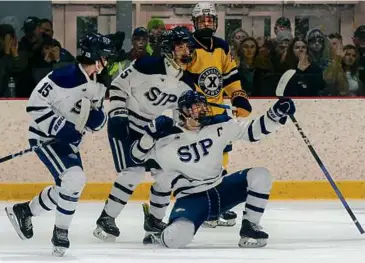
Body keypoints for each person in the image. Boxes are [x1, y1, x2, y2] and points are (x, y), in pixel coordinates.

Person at [132, 90, 296, 248]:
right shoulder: (165, 139)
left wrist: (275, 114)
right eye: (196, 107)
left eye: (203, 106)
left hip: (221, 190)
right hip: (192, 199)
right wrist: (149, 135)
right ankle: (156, 232)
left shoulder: (219, 126)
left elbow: (253, 131)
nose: (203, 110)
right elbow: (136, 157)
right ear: (183, 111)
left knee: (261, 175)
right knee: (176, 239)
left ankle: (250, 227)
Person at [4, 32, 114, 257]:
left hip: (67, 142)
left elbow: (95, 123)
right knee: (74, 179)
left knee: (71, 183)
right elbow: (35, 106)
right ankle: (60, 232)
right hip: (45, 138)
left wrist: (97, 117)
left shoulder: (97, 83)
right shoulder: (63, 76)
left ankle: (24, 211)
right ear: (94, 56)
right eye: (104, 56)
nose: (107, 61)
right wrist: (61, 129)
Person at [93, 28, 197, 242]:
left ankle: (154, 222)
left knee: (166, 173)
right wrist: (118, 114)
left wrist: (183, 127)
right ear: (169, 48)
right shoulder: (146, 64)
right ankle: (106, 218)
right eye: (180, 46)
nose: (186, 50)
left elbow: (181, 114)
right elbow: (118, 86)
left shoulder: (187, 82)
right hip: (126, 123)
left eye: (188, 46)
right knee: (133, 172)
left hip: (151, 129)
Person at [175, 2, 252, 228]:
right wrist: (191, 106)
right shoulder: (187, 46)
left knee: (221, 156)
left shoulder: (221, 46)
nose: (207, 23)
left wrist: (238, 97)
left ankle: (215, 204)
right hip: (195, 115)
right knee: (201, 160)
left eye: (210, 20)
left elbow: (229, 75)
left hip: (218, 111)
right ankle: (203, 204)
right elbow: (180, 78)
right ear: (195, 22)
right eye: (203, 20)